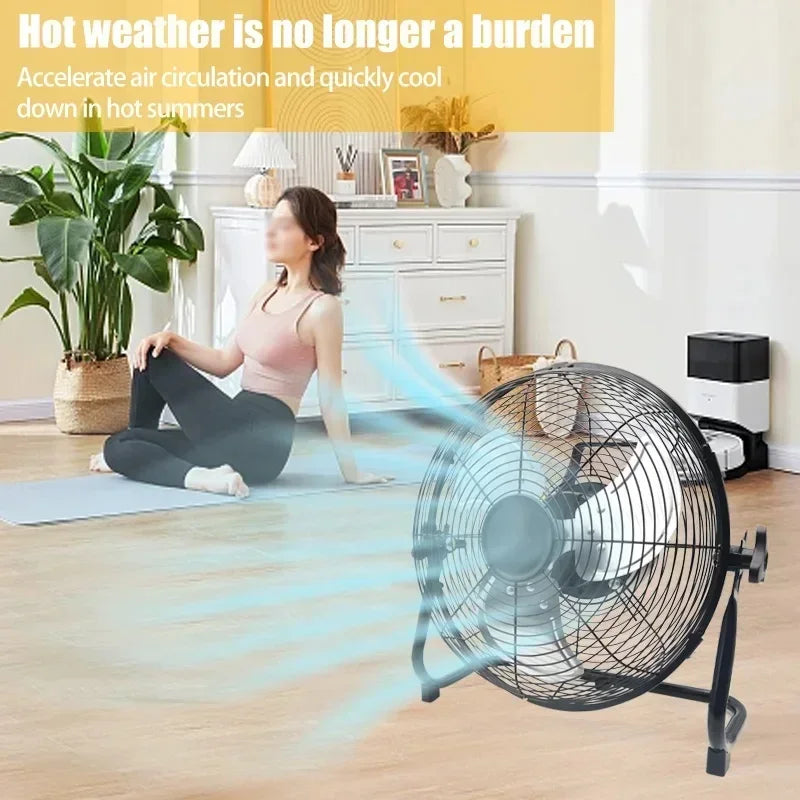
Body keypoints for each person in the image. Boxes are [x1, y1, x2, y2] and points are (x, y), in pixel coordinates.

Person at [89, 186, 394, 498]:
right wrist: (173, 340)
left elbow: (332, 397)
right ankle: (202, 476)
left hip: (263, 442)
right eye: (272, 224)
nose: (271, 233)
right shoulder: (267, 291)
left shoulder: (322, 309)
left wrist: (351, 471)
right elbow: (224, 363)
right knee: (118, 444)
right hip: (232, 425)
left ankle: (146, 457)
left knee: (155, 358)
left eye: (285, 226)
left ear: (314, 241)